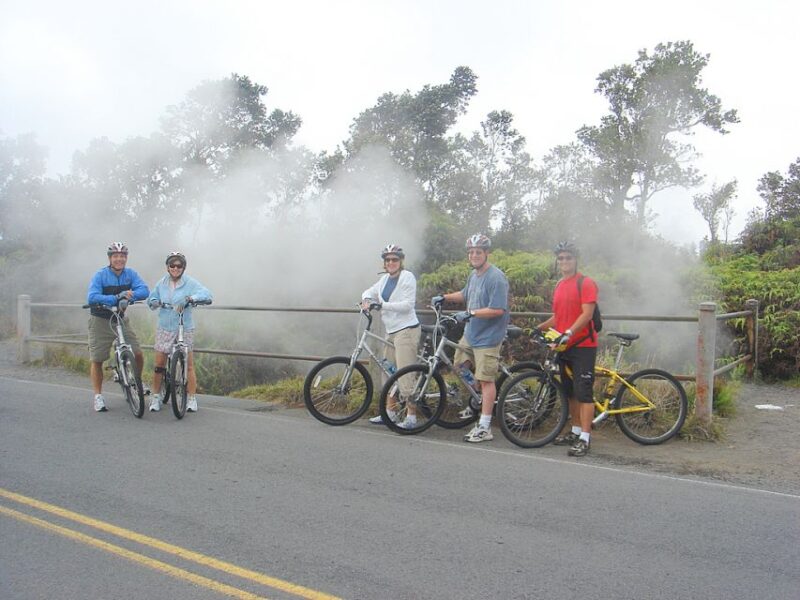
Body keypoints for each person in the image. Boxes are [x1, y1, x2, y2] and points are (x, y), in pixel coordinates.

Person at [432, 234, 509, 443]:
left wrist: (472, 313)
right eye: (471, 252)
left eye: (478, 252)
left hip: (489, 337)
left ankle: (485, 426)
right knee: (459, 366)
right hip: (471, 333)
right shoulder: (474, 276)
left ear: (486, 254)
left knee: (486, 380)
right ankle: (477, 402)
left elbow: (498, 309)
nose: (474, 255)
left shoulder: (496, 277)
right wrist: (445, 297)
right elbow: (465, 294)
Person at [536, 241, 599, 457]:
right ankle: (575, 430)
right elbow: (559, 316)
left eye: (568, 258)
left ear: (576, 259)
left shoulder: (586, 283)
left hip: (583, 345)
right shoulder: (559, 285)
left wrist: (570, 332)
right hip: (564, 345)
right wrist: (539, 328)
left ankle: (585, 438)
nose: (564, 261)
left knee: (584, 393)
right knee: (570, 392)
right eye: (561, 258)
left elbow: (586, 314)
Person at [361, 244, 421, 428]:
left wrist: (381, 306)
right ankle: (390, 412)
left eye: (394, 259)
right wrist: (366, 300)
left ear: (400, 261)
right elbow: (369, 292)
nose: (391, 262)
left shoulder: (407, 277)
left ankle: (411, 416)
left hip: (407, 330)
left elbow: (408, 305)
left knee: (405, 373)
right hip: (391, 331)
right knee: (388, 371)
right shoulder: (385, 280)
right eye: (387, 260)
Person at [87, 242, 150, 412]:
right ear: (110, 258)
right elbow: (92, 297)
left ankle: (135, 380)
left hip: (120, 318)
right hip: (100, 319)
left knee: (137, 353)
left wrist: (130, 296)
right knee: (98, 359)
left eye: (122, 256)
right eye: (115, 256)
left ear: (126, 258)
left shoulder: (130, 274)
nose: (119, 259)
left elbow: (145, 290)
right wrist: (116, 297)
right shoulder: (100, 275)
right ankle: (98, 396)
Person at [147, 252, 213, 413]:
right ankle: (155, 397)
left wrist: (191, 298)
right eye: (172, 265)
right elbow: (151, 299)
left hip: (185, 326)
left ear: (183, 267)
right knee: (159, 365)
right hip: (165, 326)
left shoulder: (190, 282)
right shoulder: (161, 283)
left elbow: (207, 294)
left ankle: (191, 398)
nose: (175, 268)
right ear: (167, 267)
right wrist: (154, 302)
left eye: (179, 266)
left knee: (188, 365)